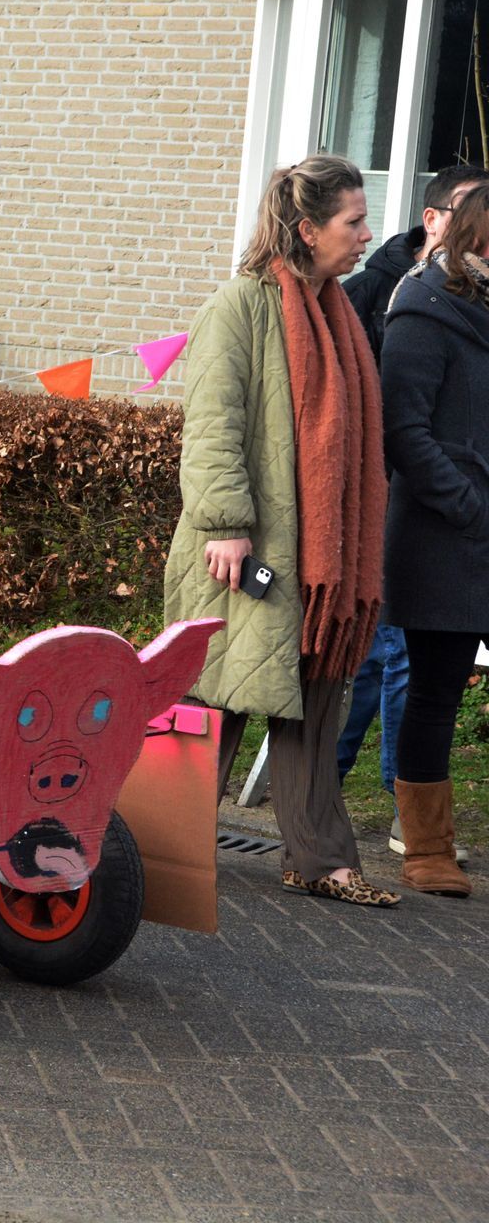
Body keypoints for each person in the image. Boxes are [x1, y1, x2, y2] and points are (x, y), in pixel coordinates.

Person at [164, 154, 397, 907]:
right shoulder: (239, 306)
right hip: (245, 546)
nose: (367, 235)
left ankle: (320, 858)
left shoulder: (335, 313)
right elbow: (212, 426)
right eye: (354, 220)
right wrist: (226, 524)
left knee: (313, 696)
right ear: (307, 229)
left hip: (316, 557)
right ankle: (160, 844)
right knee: (221, 697)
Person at [341, 164, 487, 858]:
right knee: (432, 691)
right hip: (444, 537)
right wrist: (469, 505)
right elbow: (405, 431)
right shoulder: (422, 304)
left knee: (425, 688)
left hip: (471, 530)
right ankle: (425, 850)